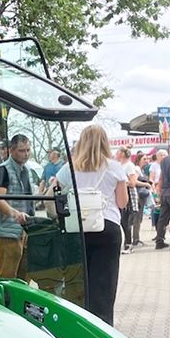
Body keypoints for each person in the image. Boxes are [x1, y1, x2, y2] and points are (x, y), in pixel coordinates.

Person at [53, 126, 128, 325]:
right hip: (107, 227)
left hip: (76, 228)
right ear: (105, 142)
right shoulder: (115, 167)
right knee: (104, 283)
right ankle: (102, 326)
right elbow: (122, 202)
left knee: (77, 281)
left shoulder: (69, 167)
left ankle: (77, 325)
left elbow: (53, 194)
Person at [0, 134, 34, 280]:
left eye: (28, 150)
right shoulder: (3, 170)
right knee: (8, 275)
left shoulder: (26, 170)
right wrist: (15, 214)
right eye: (22, 150)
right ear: (11, 150)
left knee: (24, 273)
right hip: (7, 230)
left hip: (24, 229)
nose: (26, 154)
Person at [115, 147, 142, 253]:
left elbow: (133, 182)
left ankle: (128, 244)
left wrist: (122, 183)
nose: (116, 154)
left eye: (118, 152)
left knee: (126, 220)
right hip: (120, 193)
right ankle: (126, 242)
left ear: (122, 154)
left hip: (128, 194)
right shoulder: (119, 165)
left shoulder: (129, 165)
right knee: (122, 220)